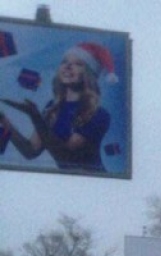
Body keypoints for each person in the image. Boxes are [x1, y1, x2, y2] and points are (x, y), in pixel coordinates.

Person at [0, 42, 116, 173]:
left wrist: (35, 117)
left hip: (96, 185)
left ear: (89, 74)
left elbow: (66, 157)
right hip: (66, 184)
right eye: (64, 62)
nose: (67, 66)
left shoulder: (99, 114)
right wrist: (3, 119)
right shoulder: (52, 107)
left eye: (78, 64)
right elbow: (30, 151)